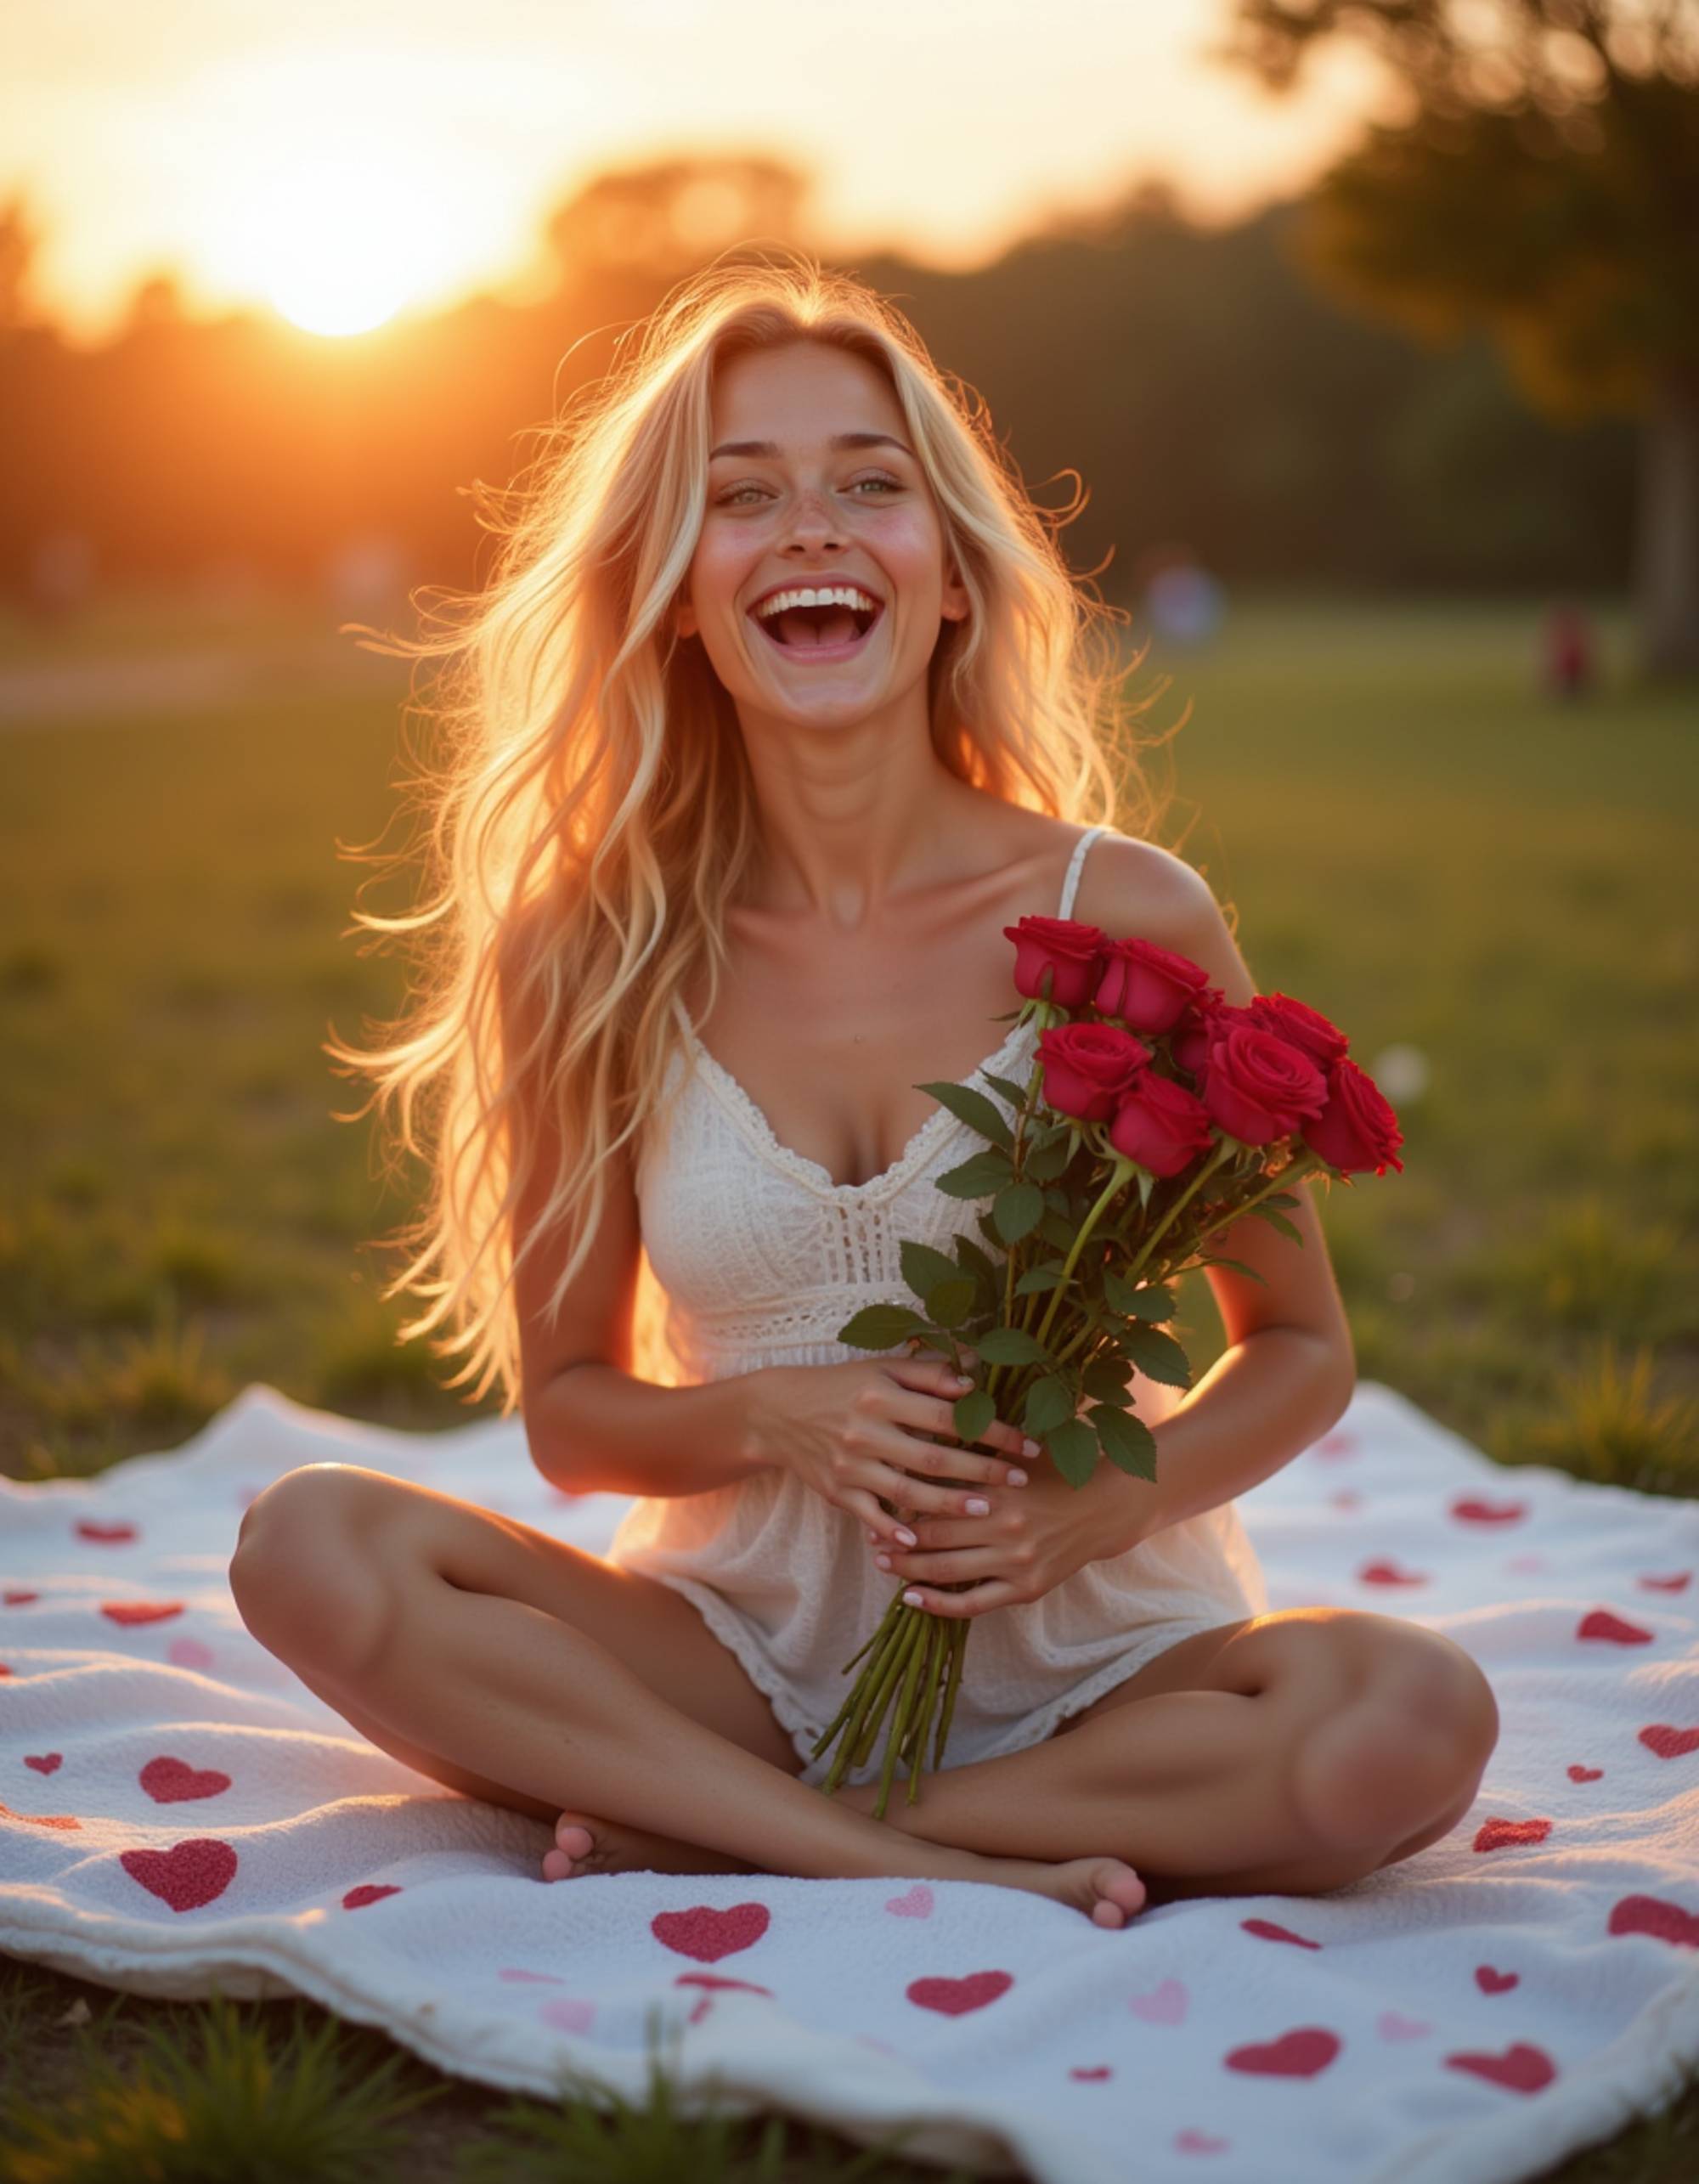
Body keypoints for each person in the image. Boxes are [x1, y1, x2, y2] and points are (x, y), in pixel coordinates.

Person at [229, 251, 1498, 1922]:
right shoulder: (589, 947)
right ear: (675, 592)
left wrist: (1093, 1509)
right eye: (741, 494)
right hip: (729, 1652)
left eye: (869, 485)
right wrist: (776, 1413)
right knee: (305, 1540)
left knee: (1415, 1711)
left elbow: (1302, 1349)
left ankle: (737, 1827)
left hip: (1102, 1674)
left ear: (953, 575)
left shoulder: (1126, 914)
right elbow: (572, 1413)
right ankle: (858, 1841)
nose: (810, 529)